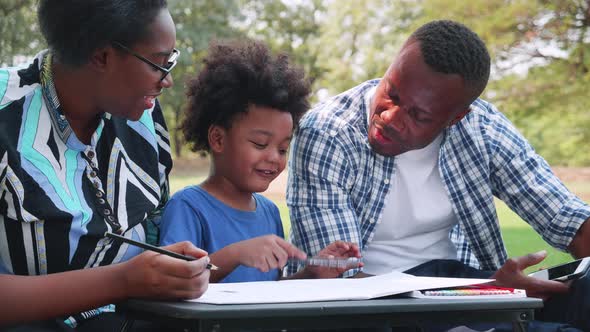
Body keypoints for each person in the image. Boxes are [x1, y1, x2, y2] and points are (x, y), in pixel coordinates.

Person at [286, 19, 590, 331]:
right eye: (391, 92)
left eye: (418, 115)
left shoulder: (481, 129)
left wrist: (491, 292)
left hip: (468, 295)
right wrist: (489, 290)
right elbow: (337, 282)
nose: (389, 117)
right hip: (374, 311)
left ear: (455, 117)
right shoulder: (328, 133)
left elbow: (573, 223)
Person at [0, 1, 210, 330]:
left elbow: (155, 223)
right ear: (102, 57)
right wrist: (121, 281)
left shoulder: (144, 119)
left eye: (170, 61)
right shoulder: (6, 112)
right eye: (158, 64)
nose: (167, 80)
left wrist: (173, 268)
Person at [159, 39, 361, 283]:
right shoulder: (188, 207)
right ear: (218, 139)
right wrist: (236, 254)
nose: (274, 158)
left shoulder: (270, 212)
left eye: (283, 149)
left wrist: (311, 274)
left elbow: (269, 291)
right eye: (260, 144)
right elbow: (173, 278)